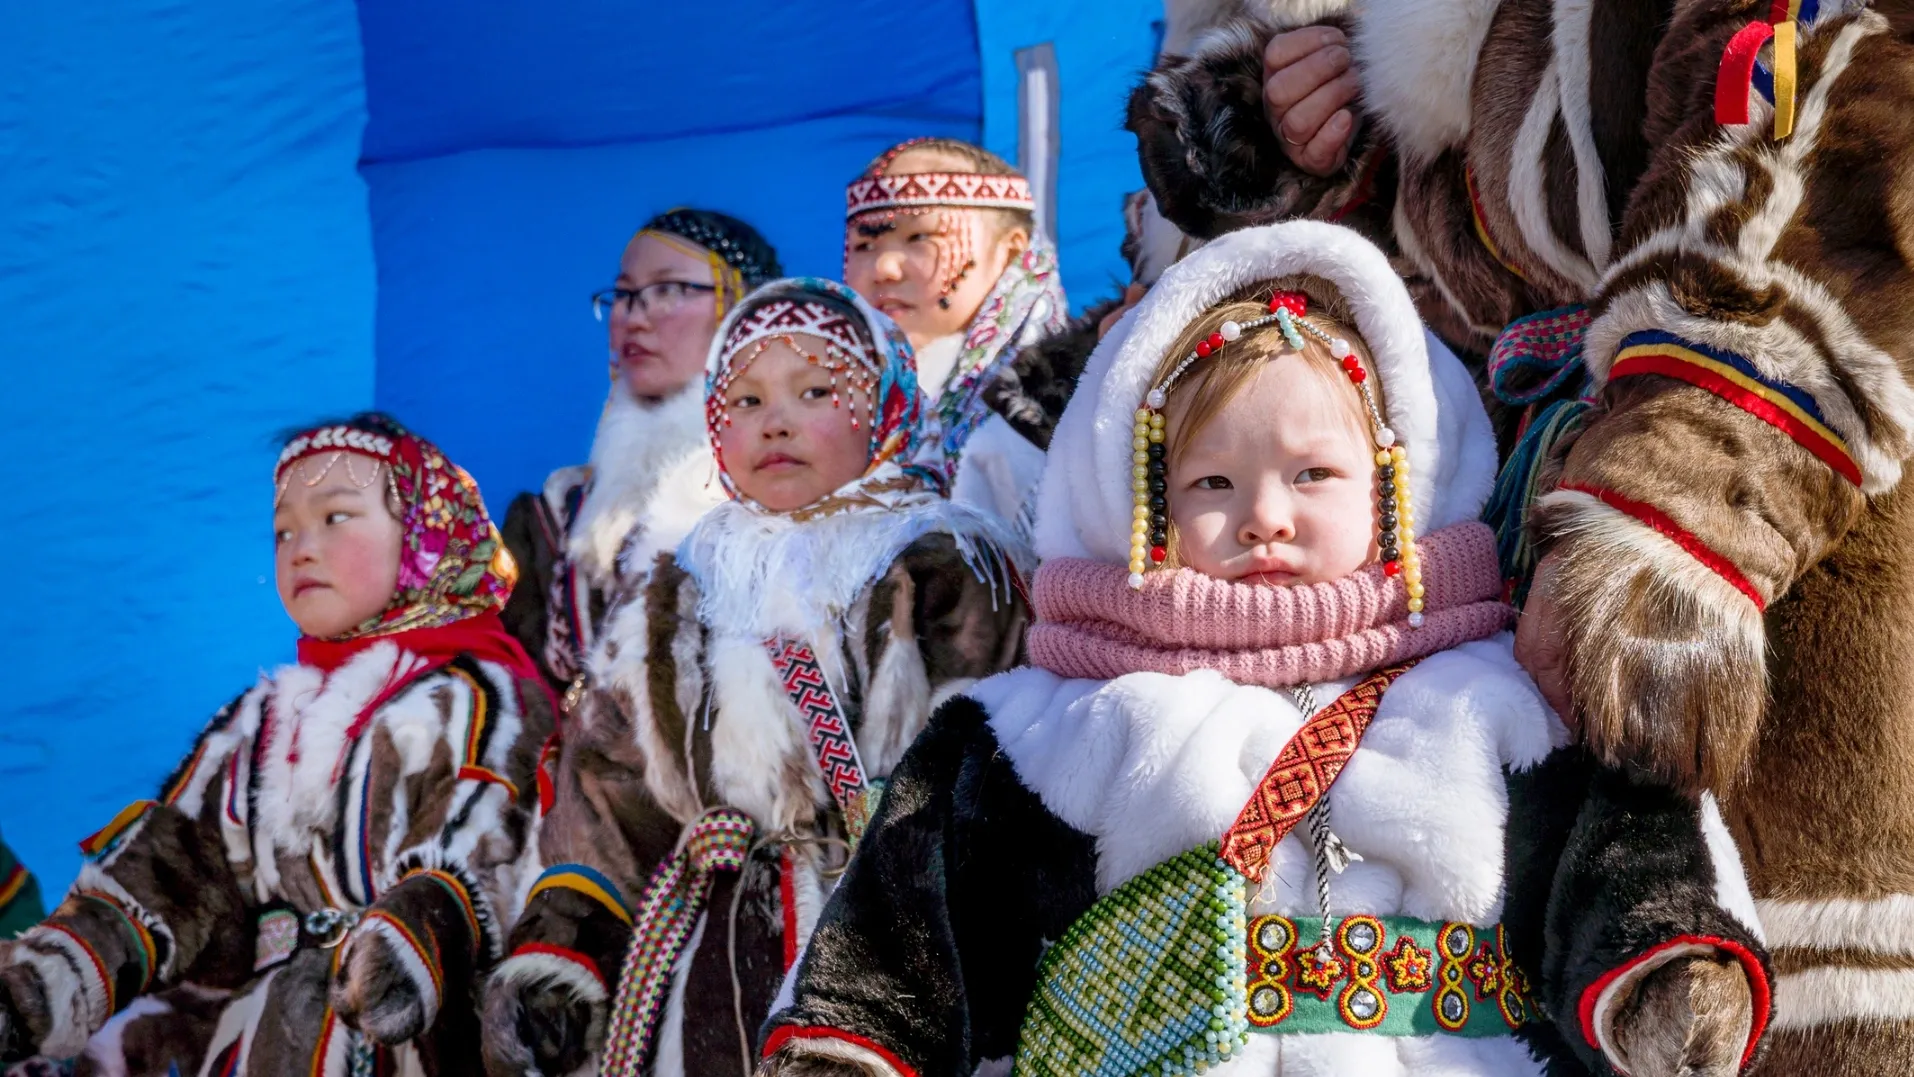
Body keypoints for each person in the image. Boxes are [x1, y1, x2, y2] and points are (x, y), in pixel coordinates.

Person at [758, 222, 1769, 1077]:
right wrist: (853, 1041)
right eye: (1212, 485)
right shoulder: (1032, 728)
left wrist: (1663, 971)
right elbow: (901, 938)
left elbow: (1628, 863)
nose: (1264, 518)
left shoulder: (1496, 701)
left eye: (1316, 473)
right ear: (1137, 502)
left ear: (1398, 485)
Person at [479, 279, 1030, 1077]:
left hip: (888, 941)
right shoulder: (680, 588)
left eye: (814, 391)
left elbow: (976, 761)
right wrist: (567, 943)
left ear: (885, 403)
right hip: (705, 953)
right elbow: (607, 782)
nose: (774, 421)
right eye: (743, 400)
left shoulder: (938, 564)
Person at [0, 415, 556, 1076]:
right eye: (284, 529)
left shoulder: (476, 699)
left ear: (424, 536)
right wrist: (51, 975)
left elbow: (482, 845)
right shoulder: (261, 719)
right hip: (260, 1042)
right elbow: (173, 865)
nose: (301, 547)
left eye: (336, 517)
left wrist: (412, 940)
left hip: (409, 1044)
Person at [500, 208, 782, 697]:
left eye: (669, 289)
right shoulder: (554, 518)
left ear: (745, 309)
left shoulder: (784, 496)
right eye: (624, 295)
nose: (634, 316)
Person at [843, 138, 1068, 535]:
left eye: (919, 238)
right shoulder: (824, 401)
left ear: (1010, 252)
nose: (884, 268)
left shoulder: (1059, 404)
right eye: (864, 245)